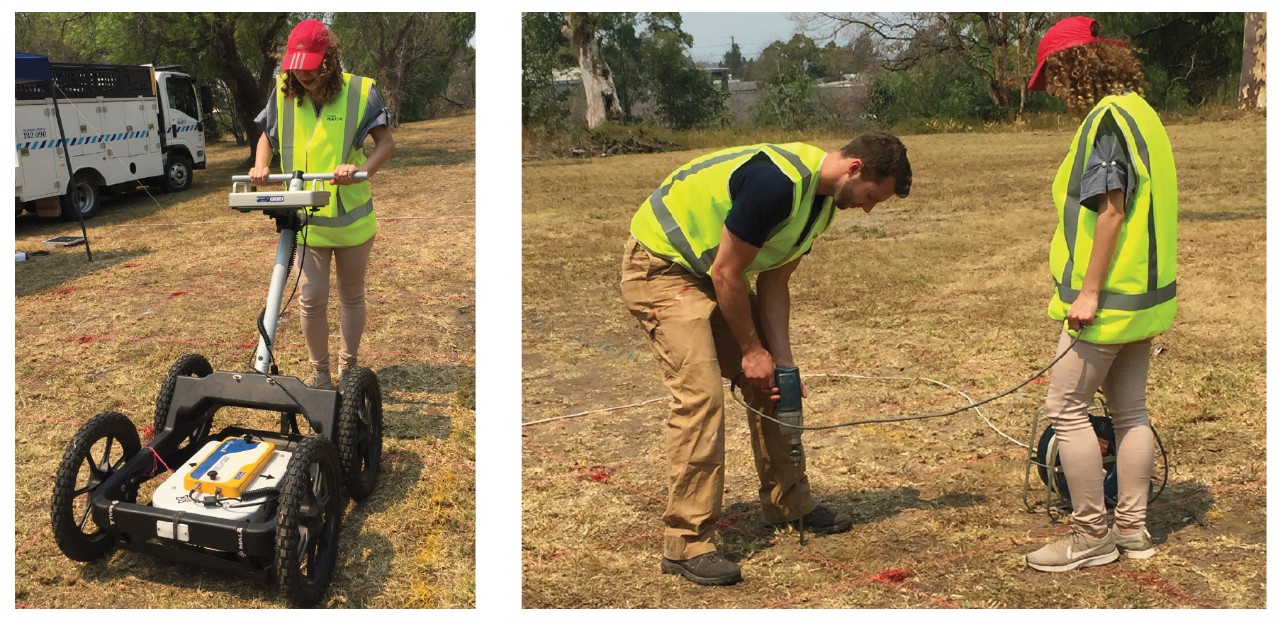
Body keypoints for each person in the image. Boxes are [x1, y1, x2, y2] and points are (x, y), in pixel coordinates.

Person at [620, 134, 912, 585]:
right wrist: (752, 351)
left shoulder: (821, 204)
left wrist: (782, 362)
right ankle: (686, 542)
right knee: (701, 398)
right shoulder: (776, 185)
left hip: (710, 271)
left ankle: (788, 502)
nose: (870, 208)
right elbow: (726, 272)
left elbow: (775, 281)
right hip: (661, 266)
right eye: (873, 196)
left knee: (776, 383)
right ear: (855, 168)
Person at [1023, 16, 1177, 572]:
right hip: (1144, 297)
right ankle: (1133, 530)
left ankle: (1090, 536)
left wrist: (1088, 293)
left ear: (1071, 68)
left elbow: (1110, 210)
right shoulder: (1143, 112)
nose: (1056, 92)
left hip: (1107, 299)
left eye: (1055, 79)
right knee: (1131, 411)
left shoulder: (1107, 120)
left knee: (1065, 409)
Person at [249, 19, 395, 389]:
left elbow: (386, 144)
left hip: (350, 219)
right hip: (307, 219)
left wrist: (359, 169)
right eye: (297, 66)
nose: (304, 74)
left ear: (329, 59)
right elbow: (267, 135)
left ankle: (349, 370)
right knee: (310, 300)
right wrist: (261, 164)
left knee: (351, 296)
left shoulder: (360, 92)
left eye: (312, 66)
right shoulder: (283, 94)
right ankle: (321, 376)